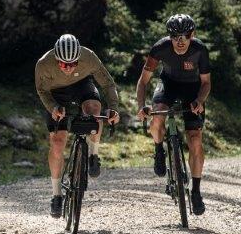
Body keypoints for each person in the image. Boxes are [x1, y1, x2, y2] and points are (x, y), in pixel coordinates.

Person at [35, 34, 121, 218]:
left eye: (73, 63)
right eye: (64, 64)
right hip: (55, 93)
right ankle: (56, 195)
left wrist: (113, 109)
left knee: (94, 109)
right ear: (56, 58)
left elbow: (108, 84)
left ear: (79, 58)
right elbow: (42, 90)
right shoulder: (44, 64)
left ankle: (93, 154)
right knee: (57, 142)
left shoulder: (88, 57)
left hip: (82, 85)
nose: (68, 68)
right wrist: (53, 108)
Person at [135, 14, 211, 215]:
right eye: (175, 36)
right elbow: (143, 82)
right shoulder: (160, 48)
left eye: (185, 36)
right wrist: (142, 105)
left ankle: (195, 191)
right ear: (169, 36)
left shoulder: (200, 50)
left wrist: (200, 101)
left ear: (192, 35)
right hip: (167, 85)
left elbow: (206, 83)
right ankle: (159, 149)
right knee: (157, 116)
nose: (180, 41)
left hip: (193, 89)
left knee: (195, 139)